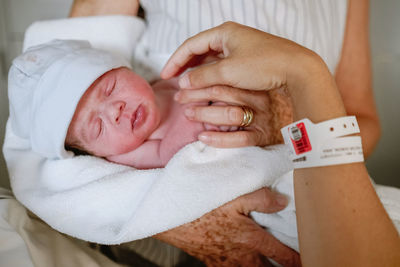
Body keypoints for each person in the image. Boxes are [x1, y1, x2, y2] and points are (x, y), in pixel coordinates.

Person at [159, 21, 400, 266]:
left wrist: (289, 120)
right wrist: (169, 218)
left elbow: (366, 124)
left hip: (308, 177)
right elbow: (118, 80)